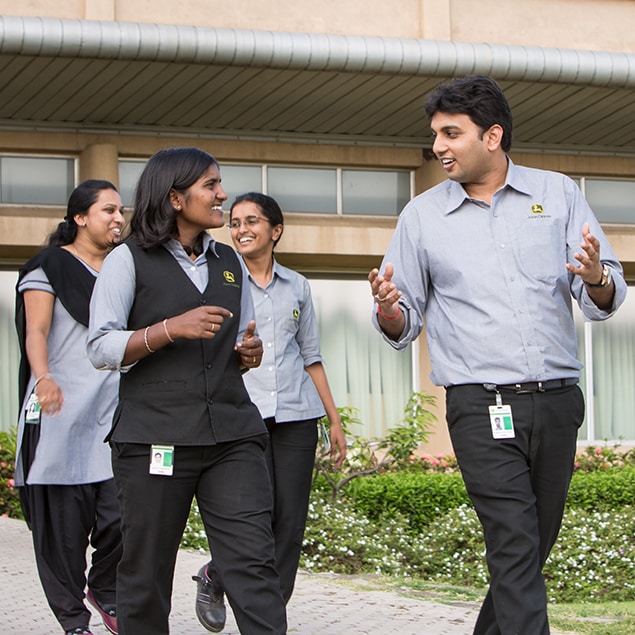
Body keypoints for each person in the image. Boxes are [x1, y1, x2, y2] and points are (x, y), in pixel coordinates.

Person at [368, 75, 627, 635]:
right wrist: (389, 307)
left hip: (557, 401)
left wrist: (596, 274)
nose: (437, 146)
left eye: (450, 132)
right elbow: (402, 319)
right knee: (514, 542)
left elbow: (604, 295)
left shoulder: (557, 193)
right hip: (480, 407)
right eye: (435, 133)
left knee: (529, 550)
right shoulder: (421, 217)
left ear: (492, 136)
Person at [87, 148, 287, 635]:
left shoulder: (228, 263)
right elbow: (100, 346)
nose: (222, 195)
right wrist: (170, 328)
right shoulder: (126, 260)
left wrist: (246, 353)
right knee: (147, 571)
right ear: (176, 198)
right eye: (211, 186)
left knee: (253, 565)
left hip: (232, 437)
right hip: (156, 436)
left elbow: (228, 346)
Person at [193, 192, 347, 631]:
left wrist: (332, 419)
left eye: (251, 221)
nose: (240, 229)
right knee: (253, 519)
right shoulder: (221, 281)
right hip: (243, 415)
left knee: (289, 521)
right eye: (235, 222)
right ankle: (220, 576)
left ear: (275, 230)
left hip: (298, 415)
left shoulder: (297, 285)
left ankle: (268, 613)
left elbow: (310, 355)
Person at [14, 180, 124, 635]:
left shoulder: (126, 269)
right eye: (108, 210)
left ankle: (104, 586)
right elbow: (36, 330)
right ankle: (73, 621)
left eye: (122, 211)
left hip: (115, 412)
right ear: (80, 217)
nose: (119, 219)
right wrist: (44, 379)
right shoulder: (50, 265)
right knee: (61, 532)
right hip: (59, 409)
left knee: (125, 516)